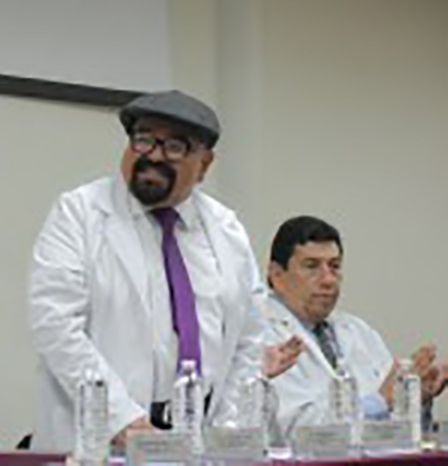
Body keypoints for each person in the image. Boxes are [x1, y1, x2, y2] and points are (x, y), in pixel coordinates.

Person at [28, 90, 265, 452]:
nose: (153, 155)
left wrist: (226, 430)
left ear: (204, 164)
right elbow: (56, 325)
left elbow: (249, 341)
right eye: (143, 140)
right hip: (103, 439)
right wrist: (121, 420)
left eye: (175, 146)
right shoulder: (79, 213)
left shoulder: (226, 230)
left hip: (201, 441)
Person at [261, 215, 448, 438]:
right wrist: (381, 400)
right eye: (311, 266)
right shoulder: (261, 335)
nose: (328, 280)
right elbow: (296, 429)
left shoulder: (357, 331)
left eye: (334, 266)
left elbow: (395, 432)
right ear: (277, 275)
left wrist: (412, 400)